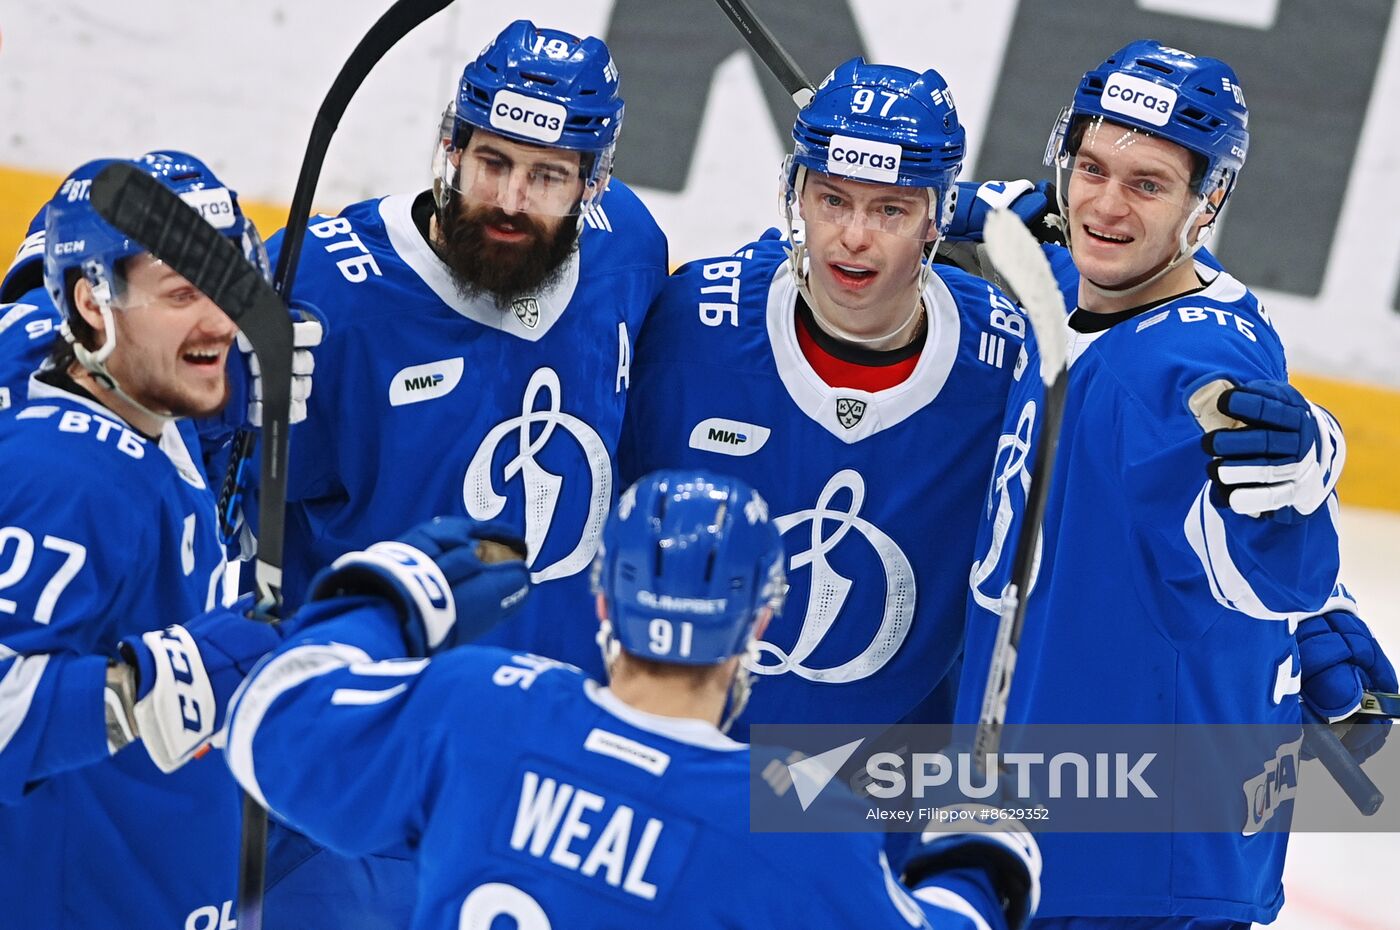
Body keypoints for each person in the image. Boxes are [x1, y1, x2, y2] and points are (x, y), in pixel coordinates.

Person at [953, 41, 1393, 928]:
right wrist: (952, 209)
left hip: (1131, 872)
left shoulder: (1182, 369)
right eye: (1091, 169)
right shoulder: (1118, 293)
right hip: (1079, 827)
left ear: (1209, 200)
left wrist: (1298, 498)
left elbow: (1259, 568)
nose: (1106, 206)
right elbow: (1049, 248)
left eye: (1148, 185)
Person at [254, 19, 667, 928]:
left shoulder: (630, 250)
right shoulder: (325, 289)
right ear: (452, 147)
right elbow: (228, 512)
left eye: (548, 175)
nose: (511, 199)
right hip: (367, 759)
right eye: (492, 161)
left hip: (545, 765)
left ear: (593, 184)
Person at [224, 472, 1043, 929]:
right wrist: (979, 866)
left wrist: (391, 596)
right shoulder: (800, 823)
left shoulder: (478, 710)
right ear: (760, 620)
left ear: (604, 602)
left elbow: (270, 717)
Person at [617, 57, 1026, 737]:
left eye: (891, 209)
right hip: (683, 746)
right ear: (795, 194)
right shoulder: (694, 323)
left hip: (884, 774)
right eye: (833, 199)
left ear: (939, 217)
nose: (854, 237)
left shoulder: (1008, 364)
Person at [0, 153, 285, 930]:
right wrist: (140, 692)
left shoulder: (142, 398)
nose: (220, 322)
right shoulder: (65, 482)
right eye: (183, 292)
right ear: (91, 304)